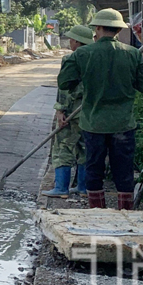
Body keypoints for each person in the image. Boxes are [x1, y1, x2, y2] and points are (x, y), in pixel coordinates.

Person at [57, 9, 143, 210]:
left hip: (93, 124)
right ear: (119, 29)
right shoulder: (133, 54)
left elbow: (65, 82)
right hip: (123, 125)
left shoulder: (82, 54)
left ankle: (97, 214)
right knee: (124, 172)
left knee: (94, 171)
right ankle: (125, 215)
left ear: (98, 28)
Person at [41, 25, 94, 199]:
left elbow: (64, 88)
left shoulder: (71, 59)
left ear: (77, 42)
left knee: (62, 147)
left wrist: (60, 111)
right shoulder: (96, 58)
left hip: (72, 112)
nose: (70, 42)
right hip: (90, 112)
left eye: (71, 39)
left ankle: (61, 188)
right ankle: (83, 187)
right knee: (84, 148)